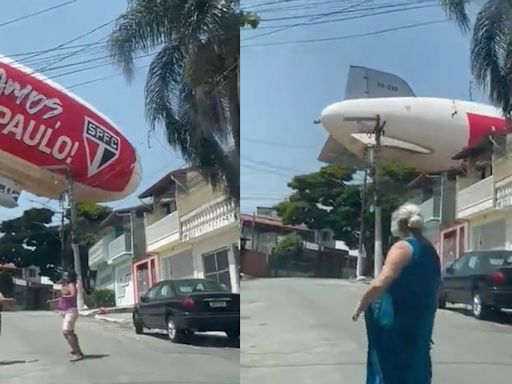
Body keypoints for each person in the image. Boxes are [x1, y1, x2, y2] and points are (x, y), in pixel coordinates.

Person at [352, 203, 441, 384]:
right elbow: (435, 287)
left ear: (399, 224)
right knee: (416, 368)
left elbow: (382, 281)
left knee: (391, 369)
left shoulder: (402, 248)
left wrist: (361, 304)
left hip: (396, 320)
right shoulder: (431, 250)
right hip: (422, 321)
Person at [58, 270, 84, 361]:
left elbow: (73, 295)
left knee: (67, 332)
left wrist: (64, 297)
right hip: (67, 311)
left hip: (71, 311)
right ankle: (75, 350)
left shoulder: (71, 285)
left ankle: (78, 353)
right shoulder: (66, 285)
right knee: (69, 332)